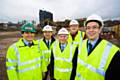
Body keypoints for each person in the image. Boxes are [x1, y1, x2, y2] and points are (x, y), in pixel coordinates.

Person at [75, 14, 120, 80]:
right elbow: (76, 67)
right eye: (88, 28)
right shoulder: (80, 45)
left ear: (100, 29)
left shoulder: (113, 51)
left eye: (94, 27)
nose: (91, 30)